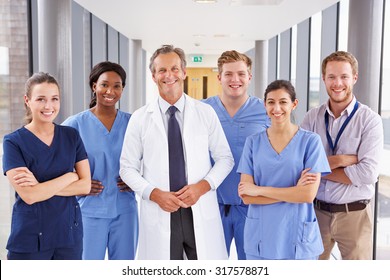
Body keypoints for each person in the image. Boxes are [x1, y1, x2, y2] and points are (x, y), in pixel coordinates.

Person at [120, 45, 234, 260]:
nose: (168, 75)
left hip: (198, 206)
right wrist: (154, 194)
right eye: (161, 70)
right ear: (153, 76)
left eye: (174, 68)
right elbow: (127, 168)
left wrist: (202, 187)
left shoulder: (205, 113)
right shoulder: (140, 118)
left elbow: (225, 158)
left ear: (184, 72)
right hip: (160, 208)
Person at [300, 51, 383, 260]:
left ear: (354, 78)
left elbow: (368, 174)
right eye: (331, 77)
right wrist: (342, 160)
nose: (338, 83)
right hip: (316, 213)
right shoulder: (312, 117)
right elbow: (298, 162)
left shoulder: (370, 120)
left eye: (344, 76)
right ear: (324, 79)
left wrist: (317, 169)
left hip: (354, 215)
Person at [237, 80, 331, 260]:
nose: (276, 108)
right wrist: (293, 191)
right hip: (261, 238)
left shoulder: (310, 142)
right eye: (271, 102)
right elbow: (247, 196)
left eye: (283, 102)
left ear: (294, 104)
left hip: (297, 238)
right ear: (265, 105)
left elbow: (307, 195)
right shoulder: (253, 142)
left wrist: (259, 190)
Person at [2, 72, 91, 260]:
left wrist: (42, 186)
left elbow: (85, 186)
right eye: (41, 99)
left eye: (54, 99)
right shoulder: (13, 142)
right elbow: (30, 195)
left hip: (69, 236)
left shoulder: (71, 136)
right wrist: (71, 176)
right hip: (29, 237)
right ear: (27, 100)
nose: (48, 106)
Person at [62, 61, 139, 260]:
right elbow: (56, 166)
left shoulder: (134, 123)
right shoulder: (74, 125)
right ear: (94, 86)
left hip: (125, 211)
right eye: (104, 84)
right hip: (88, 211)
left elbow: (151, 161)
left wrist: (137, 182)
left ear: (122, 89)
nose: (110, 91)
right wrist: (79, 184)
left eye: (117, 86)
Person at [203, 50, 269, 259]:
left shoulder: (266, 111)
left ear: (249, 77)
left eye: (241, 74)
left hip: (250, 206)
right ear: (219, 77)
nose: (235, 79)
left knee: (251, 263)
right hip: (212, 204)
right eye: (229, 74)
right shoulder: (203, 110)